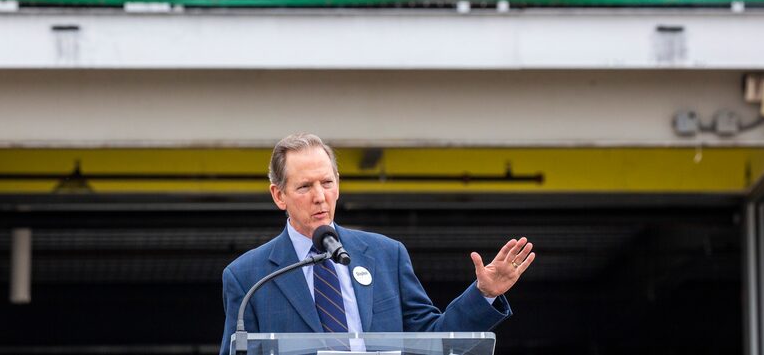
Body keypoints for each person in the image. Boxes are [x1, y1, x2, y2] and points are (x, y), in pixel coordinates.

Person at [219, 133, 535, 355]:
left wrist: (484, 294)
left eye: (327, 183)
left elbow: (432, 340)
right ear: (279, 196)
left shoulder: (386, 255)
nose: (320, 196)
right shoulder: (249, 277)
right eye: (304, 186)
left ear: (338, 185)